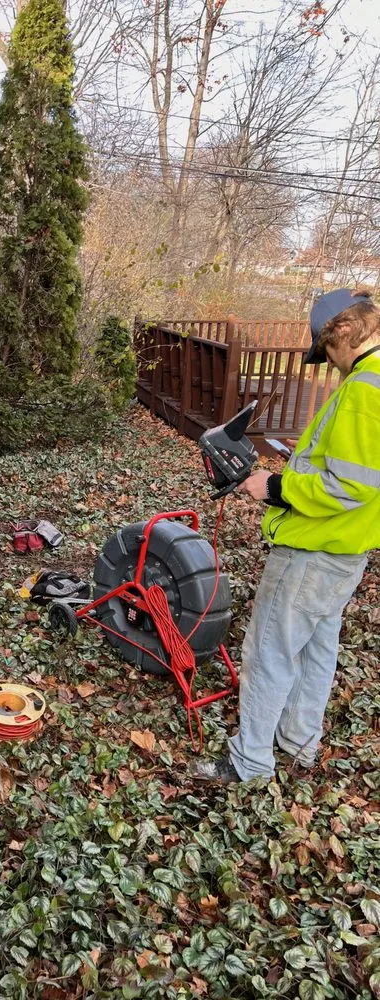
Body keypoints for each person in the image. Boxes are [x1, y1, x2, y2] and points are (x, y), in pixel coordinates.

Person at [194, 288, 380, 783]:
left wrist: (274, 485)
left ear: (343, 330)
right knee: (319, 647)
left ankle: (248, 761)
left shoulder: (365, 386)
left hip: (313, 550)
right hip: (347, 550)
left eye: (327, 352)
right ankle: (299, 744)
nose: (330, 364)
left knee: (270, 650)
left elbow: (349, 484)